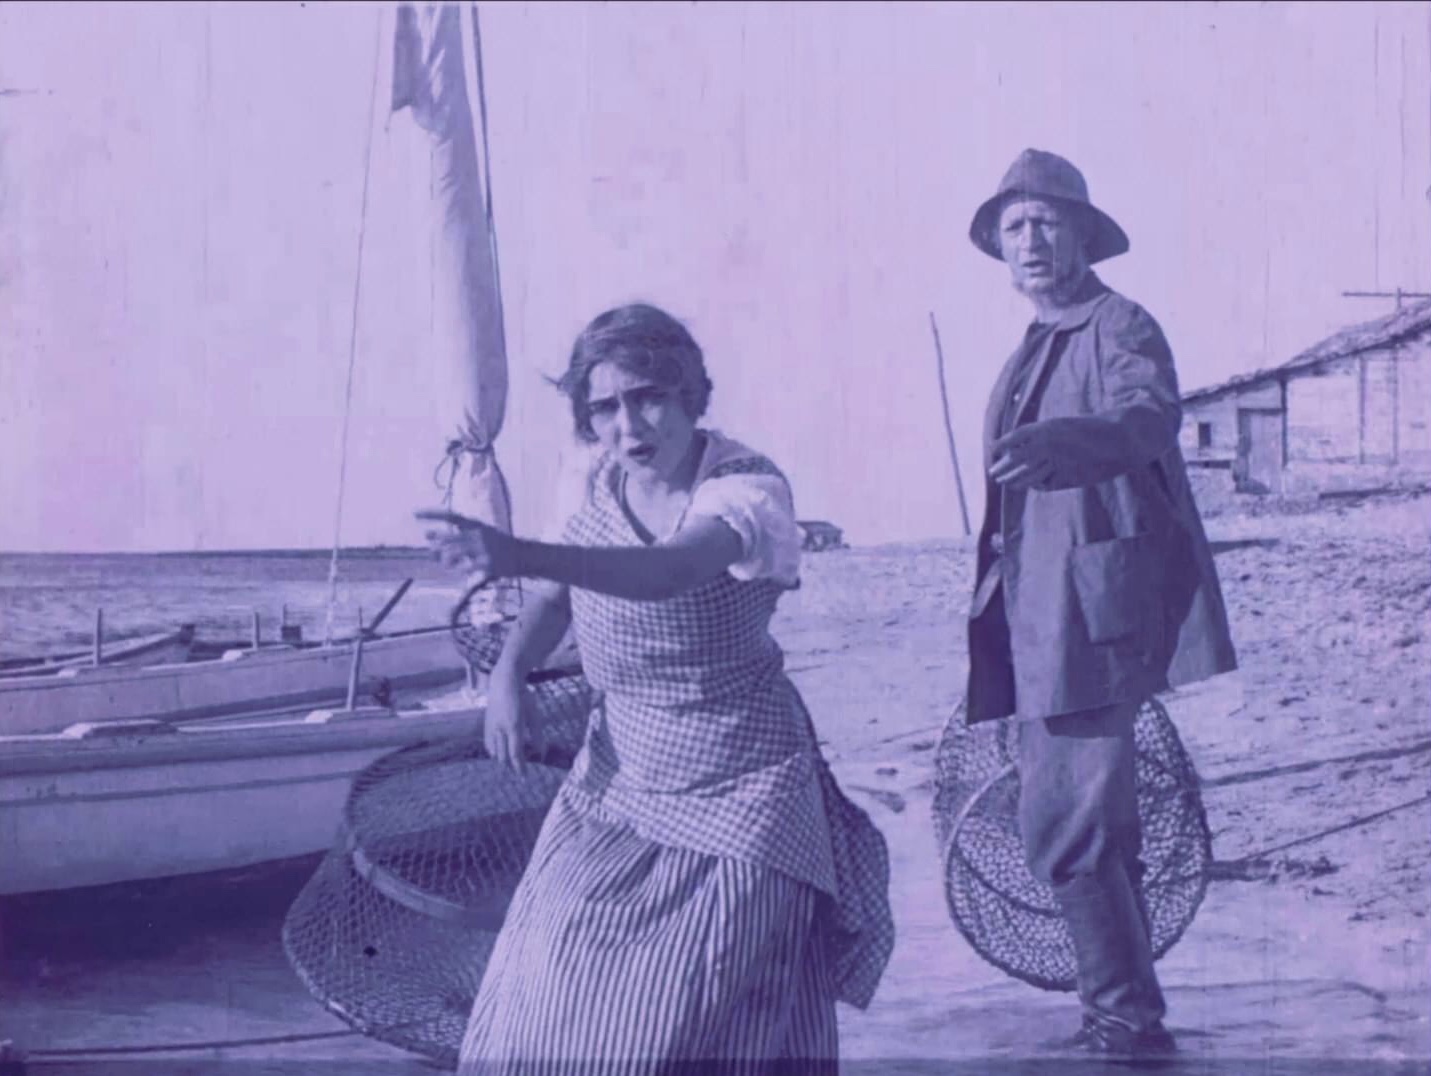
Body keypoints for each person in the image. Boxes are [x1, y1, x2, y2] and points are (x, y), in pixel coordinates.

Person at [419, 301, 893, 1075]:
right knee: (532, 999)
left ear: (689, 396)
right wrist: (507, 675)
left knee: (689, 1020)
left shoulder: (747, 489)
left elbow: (672, 570)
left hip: (745, 781)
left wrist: (516, 551)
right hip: (619, 773)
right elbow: (554, 595)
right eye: (603, 407)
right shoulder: (597, 480)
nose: (627, 425)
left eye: (647, 397)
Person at [962, 149, 1238, 1059]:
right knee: (1092, 832)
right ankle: (1126, 1024)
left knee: (1066, 832)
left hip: (1093, 619)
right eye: (1014, 227)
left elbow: (1146, 419)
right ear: (1000, 251)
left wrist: (1071, 443)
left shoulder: (1117, 323)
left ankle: (1123, 1027)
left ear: (1083, 234)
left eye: (1046, 221)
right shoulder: (1031, 347)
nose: (1031, 240)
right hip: (1040, 621)